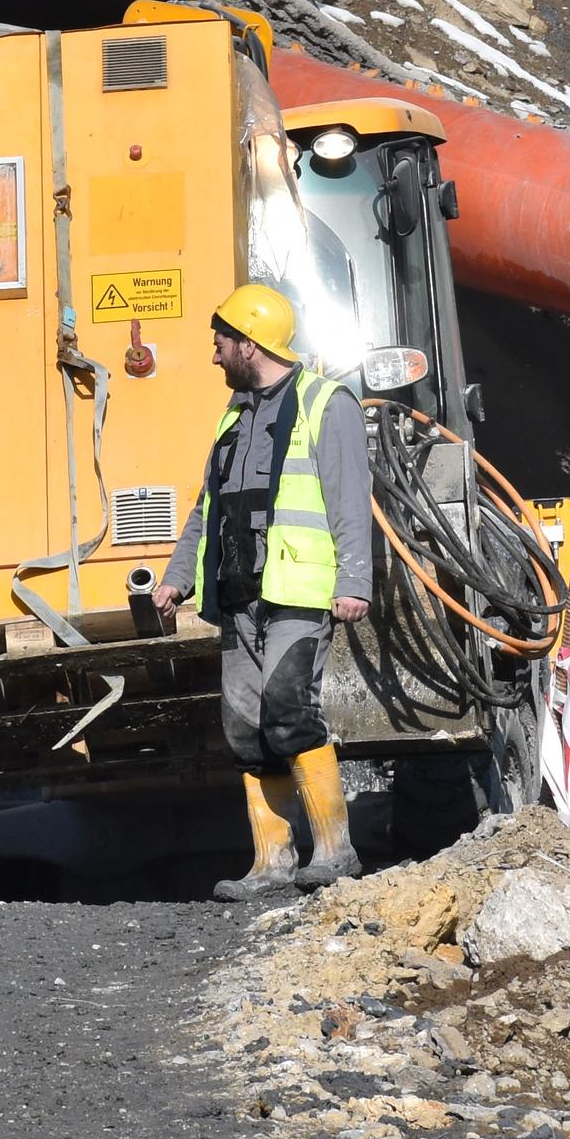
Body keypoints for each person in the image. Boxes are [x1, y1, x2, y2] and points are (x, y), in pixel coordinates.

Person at [163, 282, 374, 898]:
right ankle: (272, 862)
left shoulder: (324, 403)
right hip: (237, 592)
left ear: (249, 344)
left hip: (297, 593)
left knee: (289, 714)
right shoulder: (234, 415)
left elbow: (348, 500)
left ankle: (336, 852)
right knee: (243, 727)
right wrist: (179, 576)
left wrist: (354, 580)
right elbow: (208, 507)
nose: (214, 355)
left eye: (221, 343)